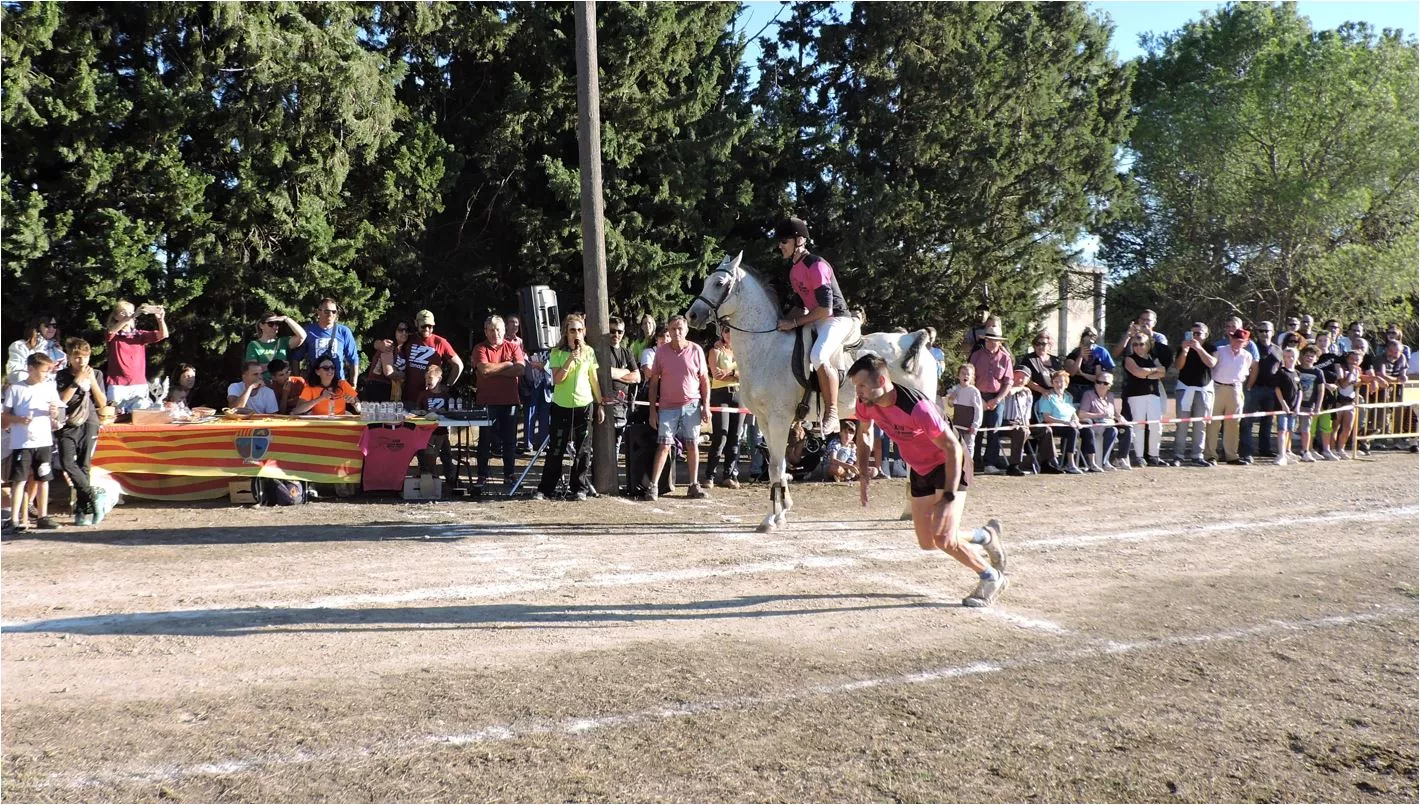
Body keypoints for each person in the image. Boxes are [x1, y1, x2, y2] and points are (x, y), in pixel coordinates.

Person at [848, 353, 1008, 608]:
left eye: (862, 385)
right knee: (928, 542)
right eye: (856, 386)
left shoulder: (918, 408)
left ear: (881, 380)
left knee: (944, 538)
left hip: (949, 462)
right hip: (920, 467)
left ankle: (991, 577)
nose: (859, 392)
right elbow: (865, 434)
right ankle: (986, 536)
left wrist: (948, 496)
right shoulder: (866, 403)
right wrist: (863, 471)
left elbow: (953, 449)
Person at [773, 217, 853, 433]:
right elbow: (801, 306)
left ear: (799, 240)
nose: (780, 246)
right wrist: (779, 325)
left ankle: (832, 412)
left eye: (783, 241)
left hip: (836, 318)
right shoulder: (794, 271)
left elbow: (825, 309)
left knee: (818, 356)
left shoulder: (816, 265)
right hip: (817, 320)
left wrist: (794, 323)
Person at [535, 314, 605, 501]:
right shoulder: (557, 352)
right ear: (566, 332)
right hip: (561, 406)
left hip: (584, 405)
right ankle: (546, 488)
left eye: (580, 330)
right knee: (556, 448)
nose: (576, 334)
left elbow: (593, 379)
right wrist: (570, 360)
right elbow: (557, 379)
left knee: (583, 450)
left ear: (584, 332)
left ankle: (579, 488)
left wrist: (600, 403)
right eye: (572, 330)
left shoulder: (589, 351)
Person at [646, 315, 710, 501]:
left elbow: (704, 380)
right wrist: (652, 411)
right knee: (664, 445)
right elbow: (654, 383)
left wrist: (705, 406)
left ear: (686, 330)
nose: (677, 332)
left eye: (680, 328)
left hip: (692, 404)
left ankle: (693, 484)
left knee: (692, 444)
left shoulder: (696, 350)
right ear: (668, 330)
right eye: (673, 329)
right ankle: (654, 486)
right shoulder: (661, 352)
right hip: (667, 406)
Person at [3, 353, 62, 532]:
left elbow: (57, 414)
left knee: (43, 478)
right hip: (22, 442)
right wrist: (18, 420)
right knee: (19, 480)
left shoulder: (50, 388)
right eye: (44, 371)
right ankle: (14, 519)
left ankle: (43, 516)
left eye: (49, 371)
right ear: (30, 369)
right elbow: (4, 417)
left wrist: (54, 413)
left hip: (43, 440)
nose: (46, 375)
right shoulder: (15, 389)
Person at [54, 338, 110, 526]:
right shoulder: (61, 376)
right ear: (69, 357)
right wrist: (76, 382)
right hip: (68, 424)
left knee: (84, 465)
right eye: (77, 358)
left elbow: (102, 402)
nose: (82, 362)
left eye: (85, 357)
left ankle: (82, 510)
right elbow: (61, 400)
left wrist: (92, 381)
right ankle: (94, 496)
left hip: (89, 422)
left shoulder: (97, 374)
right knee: (67, 463)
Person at [473, 314, 525, 487]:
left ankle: (509, 475)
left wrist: (497, 369)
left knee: (510, 441)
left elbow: (520, 369)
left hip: (510, 401)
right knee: (485, 440)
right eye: (491, 330)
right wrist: (507, 365)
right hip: (487, 401)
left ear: (504, 331)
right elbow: (484, 370)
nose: (495, 333)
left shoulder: (513, 346)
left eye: (498, 329)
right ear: (486, 332)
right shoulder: (480, 348)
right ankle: (482, 475)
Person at [105, 300, 169, 411]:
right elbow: (111, 332)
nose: (128, 315)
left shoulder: (140, 335)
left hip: (138, 384)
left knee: (140, 418)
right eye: (123, 313)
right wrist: (133, 315)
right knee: (116, 418)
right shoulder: (113, 335)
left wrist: (160, 320)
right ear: (115, 317)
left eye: (130, 312)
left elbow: (163, 335)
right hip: (117, 385)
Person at [1171, 322, 1217, 467]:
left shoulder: (1211, 347)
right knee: (1182, 425)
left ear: (1206, 334)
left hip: (1203, 389)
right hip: (1184, 388)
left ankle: (1197, 455)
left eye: (1199, 333)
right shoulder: (1183, 347)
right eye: (1193, 333)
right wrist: (1184, 351)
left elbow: (1212, 363)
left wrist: (1198, 348)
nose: (1195, 336)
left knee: (1200, 424)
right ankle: (1178, 455)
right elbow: (1178, 366)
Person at [968, 324, 1013, 473]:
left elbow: (1008, 382)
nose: (990, 343)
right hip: (978, 395)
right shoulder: (976, 356)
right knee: (977, 429)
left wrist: (998, 399)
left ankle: (990, 463)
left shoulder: (1005, 359)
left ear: (1000, 342)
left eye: (994, 340)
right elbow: (970, 378)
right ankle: (974, 461)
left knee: (994, 430)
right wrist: (978, 399)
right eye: (988, 340)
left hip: (997, 397)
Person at [1240, 324, 1286, 462]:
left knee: (1267, 421)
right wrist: (1247, 386)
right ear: (1257, 333)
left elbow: (1281, 369)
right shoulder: (1251, 347)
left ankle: (1264, 449)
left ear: (1272, 333)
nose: (1264, 333)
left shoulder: (1278, 349)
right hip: (1253, 388)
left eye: (1267, 330)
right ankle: (1246, 451)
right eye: (1261, 330)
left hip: (1272, 390)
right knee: (1247, 421)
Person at [1207, 328, 1254, 464]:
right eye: (1235, 339)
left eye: (1240, 341)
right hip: (1218, 387)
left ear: (1246, 342)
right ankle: (1210, 455)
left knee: (1233, 424)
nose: (1237, 343)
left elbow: (1246, 373)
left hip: (1236, 389)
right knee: (1213, 423)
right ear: (1230, 338)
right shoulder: (1220, 350)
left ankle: (1231, 455)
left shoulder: (1247, 356)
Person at [704, 324, 743, 489]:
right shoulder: (715, 351)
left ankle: (729, 474)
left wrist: (732, 374)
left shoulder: (742, 351)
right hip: (720, 394)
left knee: (735, 436)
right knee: (720, 435)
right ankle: (710, 475)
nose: (729, 334)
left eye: (733, 330)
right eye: (726, 331)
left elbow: (747, 374)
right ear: (722, 332)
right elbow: (715, 373)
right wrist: (735, 375)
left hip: (739, 395)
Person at [1122, 333, 1168, 467]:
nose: (1138, 347)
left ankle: (1154, 455)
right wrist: (1153, 371)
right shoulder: (1129, 359)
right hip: (1136, 395)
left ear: (1148, 345)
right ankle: (1139, 456)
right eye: (1135, 344)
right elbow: (1137, 372)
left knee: (1156, 426)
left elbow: (1163, 372)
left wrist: (1146, 373)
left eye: (1141, 344)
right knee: (1139, 426)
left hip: (1153, 395)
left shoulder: (1153, 357)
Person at [400, 309, 463, 406]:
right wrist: (378, 344)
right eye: (424, 326)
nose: (427, 329)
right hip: (408, 398)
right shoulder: (408, 339)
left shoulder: (440, 342)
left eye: (430, 326)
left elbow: (458, 365)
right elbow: (390, 344)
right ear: (416, 323)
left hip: (432, 401)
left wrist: (447, 385)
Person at [1077, 372, 1132, 471]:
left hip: (1109, 422)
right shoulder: (1088, 395)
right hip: (1096, 424)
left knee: (1127, 429)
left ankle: (1120, 458)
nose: (1102, 385)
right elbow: (1081, 414)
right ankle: (1104, 461)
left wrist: (1120, 417)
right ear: (1095, 383)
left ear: (1110, 386)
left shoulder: (1110, 396)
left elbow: (1114, 412)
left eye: (1105, 383)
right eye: (1099, 382)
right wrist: (1100, 415)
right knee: (1112, 431)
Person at [412, 363, 455, 491]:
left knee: (447, 455)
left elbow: (450, 410)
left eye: (430, 378)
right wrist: (422, 413)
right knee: (429, 455)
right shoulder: (423, 394)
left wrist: (442, 410)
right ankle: (430, 478)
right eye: (426, 379)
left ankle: (451, 478)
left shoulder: (446, 395)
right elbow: (417, 410)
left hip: (442, 431)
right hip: (428, 432)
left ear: (439, 378)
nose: (428, 381)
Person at [605, 316, 641, 463]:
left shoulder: (627, 352)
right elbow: (605, 372)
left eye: (619, 331)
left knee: (617, 445)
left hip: (623, 406)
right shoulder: (602, 351)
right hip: (605, 404)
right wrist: (625, 372)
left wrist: (616, 374)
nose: (616, 335)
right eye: (612, 331)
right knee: (603, 446)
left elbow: (637, 377)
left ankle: (612, 481)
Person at [297, 297, 359, 382]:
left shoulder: (344, 331)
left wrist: (353, 383)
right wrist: (297, 381)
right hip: (315, 383)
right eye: (326, 311)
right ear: (318, 312)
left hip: (338, 382)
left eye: (334, 312)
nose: (330, 314)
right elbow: (296, 357)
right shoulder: (309, 331)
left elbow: (353, 358)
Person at [1034, 371, 1084, 474]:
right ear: (1052, 383)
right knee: (1072, 431)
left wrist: (1076, 420)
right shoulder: (1048, 396)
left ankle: (1091, 461)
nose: (1058, 384)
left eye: (1061, 382)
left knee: (1087, 431)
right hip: (1052, 424)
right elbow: (1047, 417)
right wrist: (1065, 422)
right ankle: (1070, 463)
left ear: (1066, 384)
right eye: (1055, 382)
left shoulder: (1068, 396)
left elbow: (1072, 412)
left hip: (1068, 425)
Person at [242, 313, 308, 378]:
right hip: (263, 385)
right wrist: (276, 366)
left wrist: (287, 319)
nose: (275, 327)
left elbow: (302, 336)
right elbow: (252, 370)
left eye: (277, 324)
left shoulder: (283, 342)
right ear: (261, 326)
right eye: (271, 324)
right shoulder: (253, 345)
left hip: (282, 385)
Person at [997, 368, 1035, 476]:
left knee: (1046, 431)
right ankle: (1014, 465)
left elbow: (1027, 413)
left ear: (1028, 381)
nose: (1020, 379)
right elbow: (1009, 393)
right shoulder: (1006, 388)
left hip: (1021, 422)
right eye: (1018, 376)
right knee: (1021, 431)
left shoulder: (1027, 394)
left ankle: (1048, 462)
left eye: (1023, 378)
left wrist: (1027, 424)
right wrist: (1019, 388)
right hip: (1006, 422)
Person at [292, 358, 361, 416]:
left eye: (332, 368)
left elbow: (360, 409)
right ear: (317, 372)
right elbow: (297, 410)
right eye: (326, 368)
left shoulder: (343, 384)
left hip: (340, 422)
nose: (330, 370)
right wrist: (321, 398)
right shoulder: (311, 387)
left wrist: (354, 402)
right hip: (318, 423)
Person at [6, 315, 64, 383]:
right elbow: (15, 373)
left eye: (54, 326)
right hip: (26, 389)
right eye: (47, 325)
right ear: (38, 327)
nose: (51, 329)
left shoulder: (56, 348)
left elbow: (61, 375)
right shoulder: (20, 346)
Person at [1063, 326, 1115, 402]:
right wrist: (1080, 356)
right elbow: (1071, 373)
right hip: (1074, 388)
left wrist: (1082, 374)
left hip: (1090, 389)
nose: (1090, 339)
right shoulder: (1073, 354)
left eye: (1093, 336)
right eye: (1088, 335)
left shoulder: (1096, 357)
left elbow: (1098, 377)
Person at [946, 364, 984, 466]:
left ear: (972, 377)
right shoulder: (955, 389)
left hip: (969, 423)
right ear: (958, 376)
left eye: (968, 374)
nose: (965, 376)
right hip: (958, 422)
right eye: (963, 373)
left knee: (969, 445)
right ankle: (957, 466)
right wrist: (951, 399)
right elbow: (950, 405)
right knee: (957, 444)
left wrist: (975, 425)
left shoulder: (974, 391)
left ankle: (967, 467)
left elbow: (978, 410)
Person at [363, 320, 411, 403]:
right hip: (377, 387)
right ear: (394, 331)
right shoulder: (388, 345)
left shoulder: (402, 350)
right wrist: (404, 376)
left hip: (390, 389)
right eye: (400, 330)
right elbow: (388, 372)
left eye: (406, 330)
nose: (404, 333)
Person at [1294, 346, 1326, 462]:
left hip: (1309, 404)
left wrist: (1317, 406)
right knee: (1290, 428)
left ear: (1316, 359)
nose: (1309, 358)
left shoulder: (1318, 372)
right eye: (1307, 355)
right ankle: (1287, 450)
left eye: (1312, 356)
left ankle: (1305, 450)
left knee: (1306, 429)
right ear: (1302, 356)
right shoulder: (1296, 369)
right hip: (1294, 403)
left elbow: (1321, 390)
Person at [1017, 329, 1060, 410]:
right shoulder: (1029, 359)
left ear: (1049, 345)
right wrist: (1043, 391)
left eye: (1043, 344)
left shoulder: (1055, 360)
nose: (1040, 346)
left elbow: (1061, 377)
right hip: (1036, 397)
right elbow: (1025, 380)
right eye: (1038, 344)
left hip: (1054, 396)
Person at [1273, 347, 1302, 466]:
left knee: (1290, 430)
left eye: (1292, 356)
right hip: (1282, 407)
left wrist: (1298, 406)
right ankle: (1281, 454)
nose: (1290, 359)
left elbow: (1300, 390)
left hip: (1293, 407)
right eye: (1287, 356)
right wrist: (1283, 404)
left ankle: (1287, 451)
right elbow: (1277, 389)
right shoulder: (1281, 372)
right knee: (1282, 430)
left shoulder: (1297, 373)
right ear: (1283, 358)